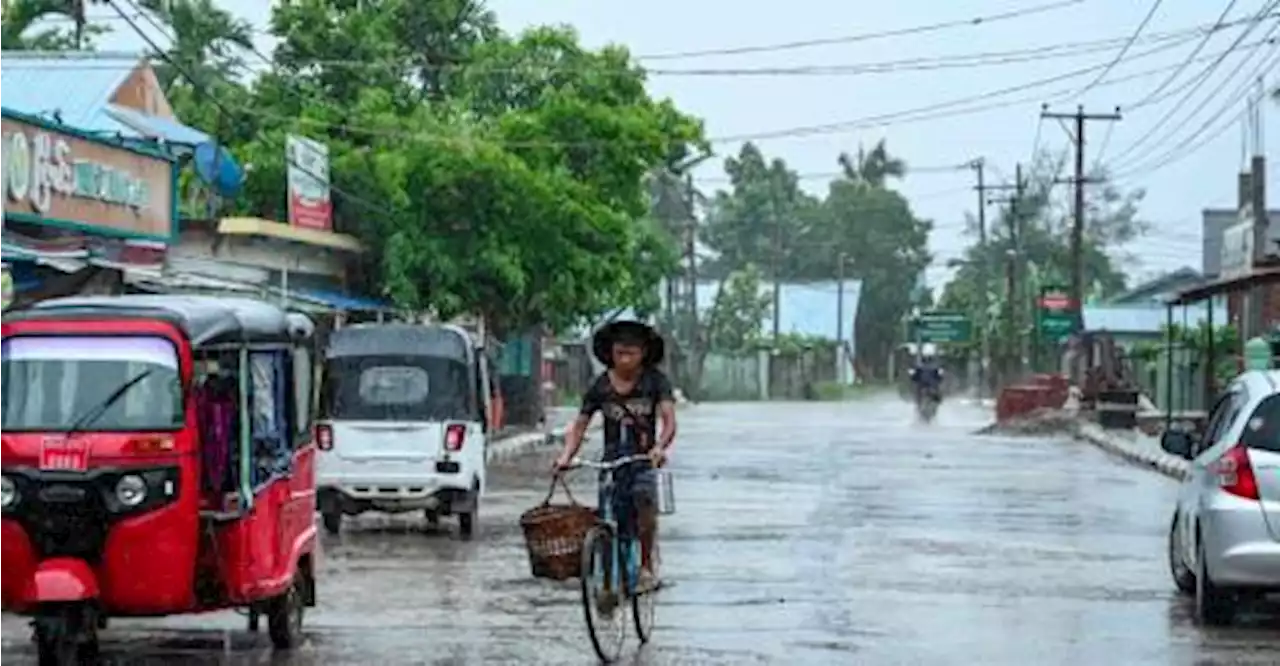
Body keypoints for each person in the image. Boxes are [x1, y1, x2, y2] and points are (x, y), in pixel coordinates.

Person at [554, 320, 677, 594]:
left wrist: (659, 447)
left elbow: (669, 421)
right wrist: (565, 456)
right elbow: (580, 425)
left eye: (630, 353)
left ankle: (646, 566)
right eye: (619, 353)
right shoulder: (600, 386)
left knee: (645, 508)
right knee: (608, 514)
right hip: (612, 460)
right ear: (611, 353)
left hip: (643, 459)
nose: (624, 359)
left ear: (643, 353)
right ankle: (609, 574)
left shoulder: (655, 382)